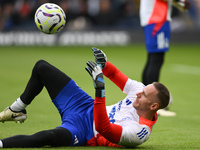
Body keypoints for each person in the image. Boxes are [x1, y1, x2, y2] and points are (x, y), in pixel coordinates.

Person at [0, 48, 170, 148]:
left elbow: (104, 129)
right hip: (85, 106)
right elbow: (115, 74)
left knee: (49, 136)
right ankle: (17, 109)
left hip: (86, 132)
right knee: (42, 67)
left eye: (144, 94)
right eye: (143, 90)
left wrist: (100, 91)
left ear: (153, 106)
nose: (139, 92)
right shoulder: (139, 89)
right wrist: (104, 64)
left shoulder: (140, 132)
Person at [139, 0, 190, 116]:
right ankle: (154, 101)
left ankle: (146, 100)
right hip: (157, 18)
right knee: (156, 59)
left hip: (153, 18)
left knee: (153, 58)